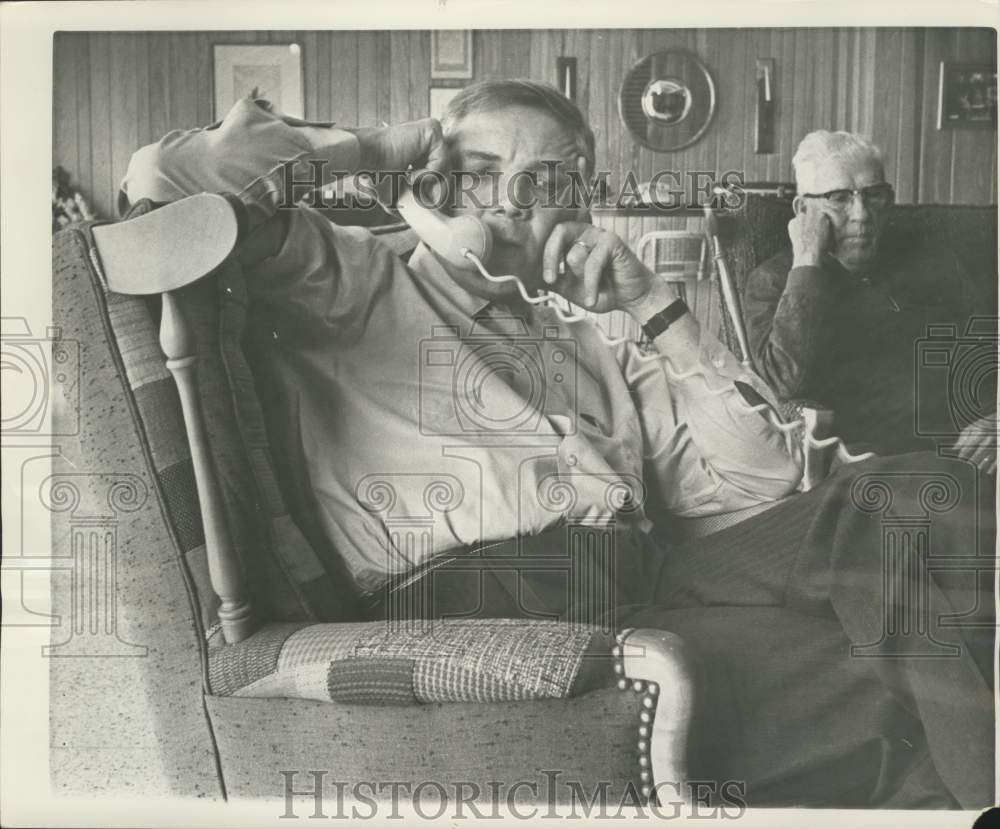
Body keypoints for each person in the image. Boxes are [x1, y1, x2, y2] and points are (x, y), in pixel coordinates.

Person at [121, 81, 994, 809]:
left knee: (924, 495)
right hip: (480, 605)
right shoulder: (352, 281)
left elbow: (761, 478)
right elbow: (166, 176)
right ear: (437, 189)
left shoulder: (599, 336)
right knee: (896, 694)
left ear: (580, 201)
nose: (506, 202)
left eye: (543, 182)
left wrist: (659, 308)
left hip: (642, 583)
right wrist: (407, 138)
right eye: (480, 175)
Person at [743, 130, 997, 466]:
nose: (861, 214)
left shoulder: (933, 260)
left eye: (873, 195)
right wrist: (806, 263)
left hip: (971, 450)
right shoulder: (773, 281)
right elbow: (784, 384)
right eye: (838, 197)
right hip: (871, 465)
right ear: (803, 209)